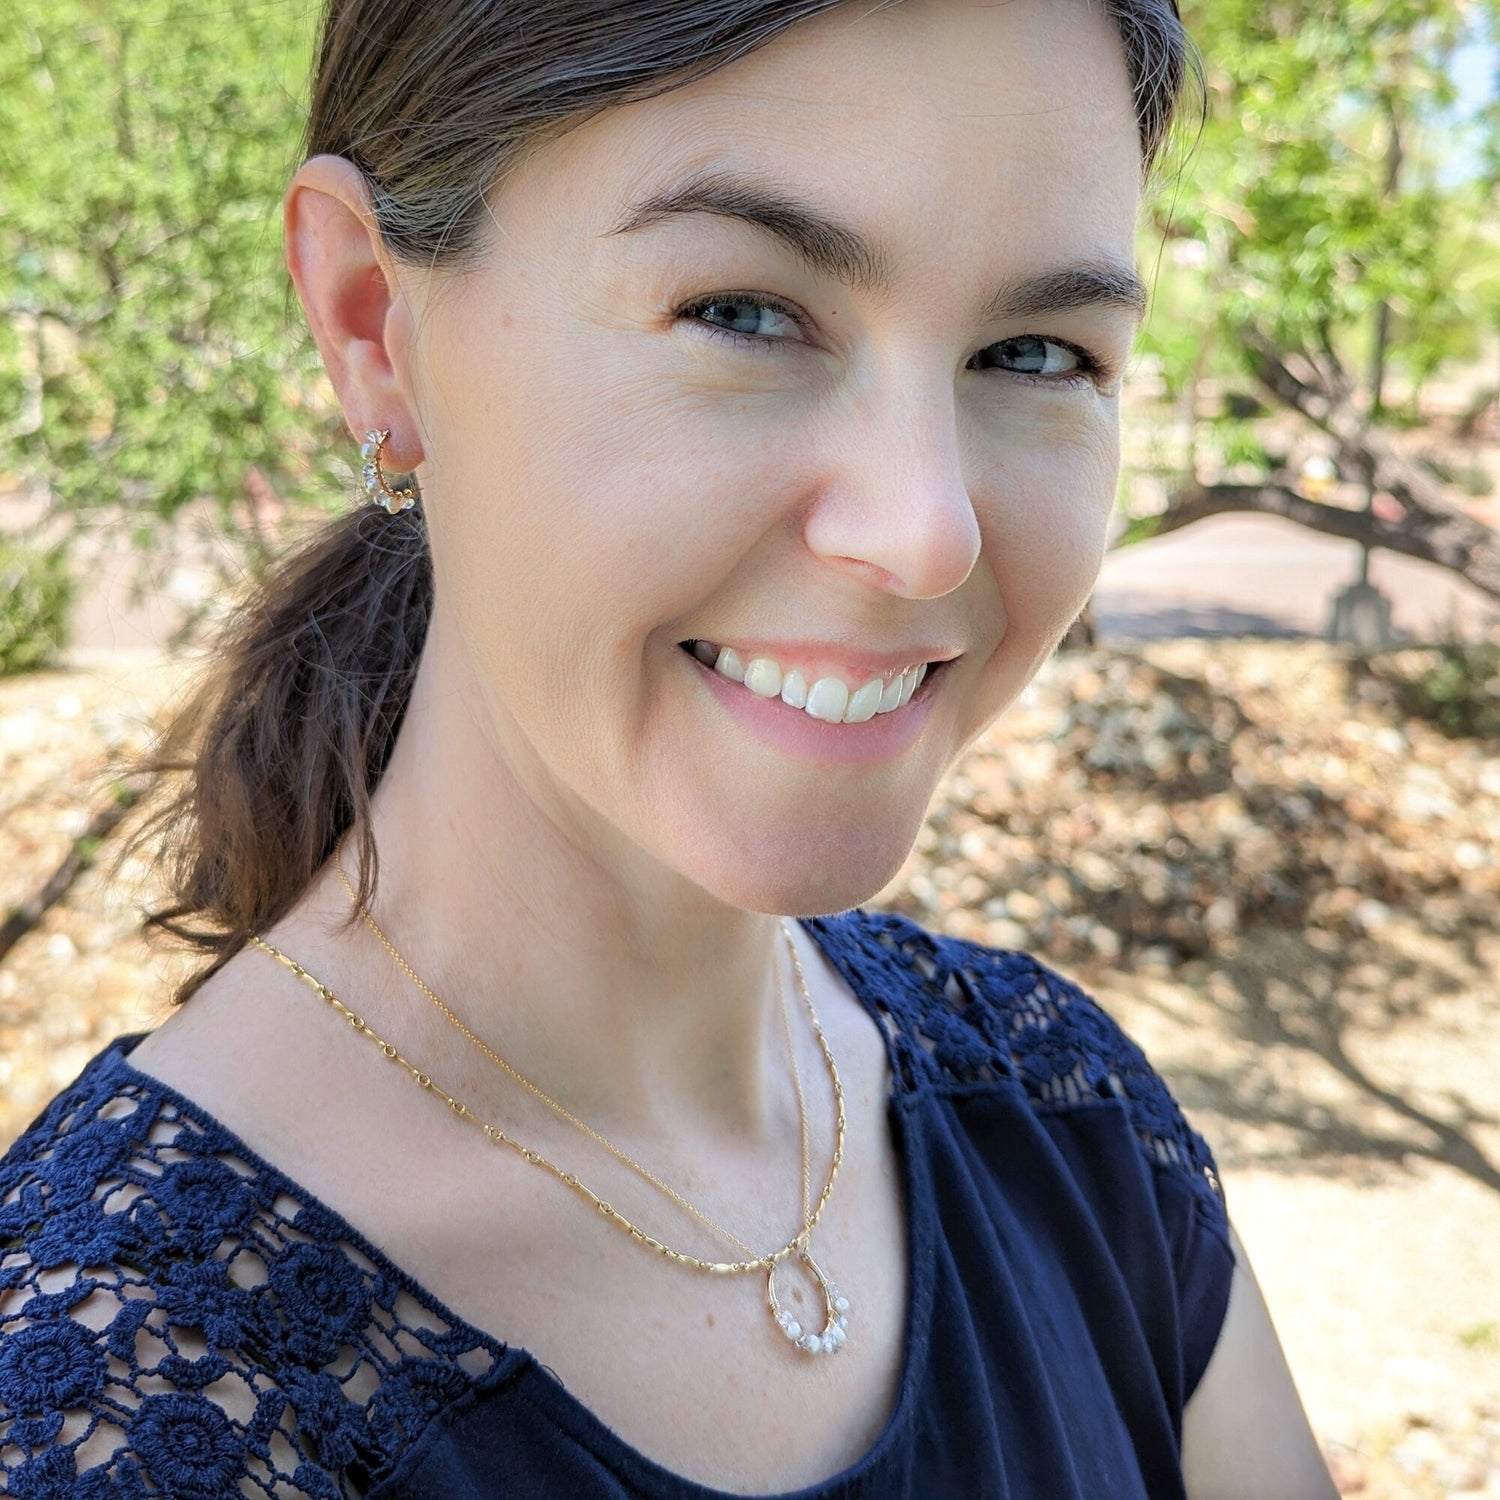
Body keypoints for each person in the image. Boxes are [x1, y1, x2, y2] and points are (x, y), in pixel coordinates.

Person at [0, 1, 1338, 1495]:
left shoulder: (1072, 1123)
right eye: (747, 314)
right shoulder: (113, 1407)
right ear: (376, 323)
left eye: (1033, 352)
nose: (925, 530)